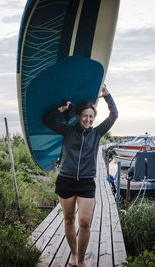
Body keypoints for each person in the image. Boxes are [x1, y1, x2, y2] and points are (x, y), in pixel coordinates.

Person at [43, 84, 118, 267]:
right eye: (84, 116)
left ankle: (82, 259)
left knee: (84, 222)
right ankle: (74, 255)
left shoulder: (97, 133)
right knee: (69, 220)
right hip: (66, 181)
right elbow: (48, 120)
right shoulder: (68, 131)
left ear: (94, 117)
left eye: (91, 116)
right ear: (79, 116)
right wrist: (62, 109)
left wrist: (107, 95)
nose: (88, 119)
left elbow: (114, 115)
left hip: (86, 182)